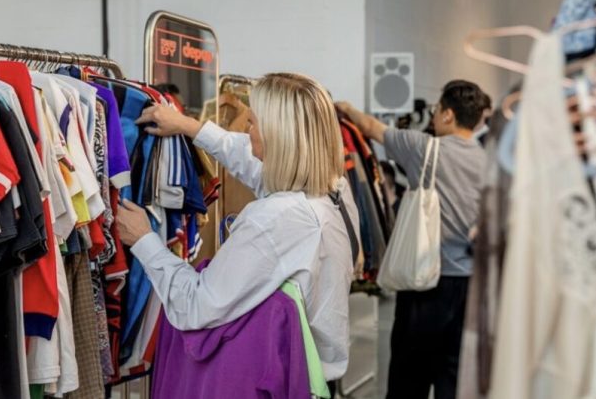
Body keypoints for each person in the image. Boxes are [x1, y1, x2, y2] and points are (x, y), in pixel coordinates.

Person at [115, 73, 361, 394]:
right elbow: (249, 159)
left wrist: (144, 239)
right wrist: (189, 127)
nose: (247, 131)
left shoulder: (276, 219)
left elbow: (197, 305)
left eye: (253, 123)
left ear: (278, 137)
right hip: (314, 375)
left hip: (286, 381)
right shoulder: (332, 191)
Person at [336, 80, 488, 399]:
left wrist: (346, 108)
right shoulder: (489, 160)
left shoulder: (424, 148)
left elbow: (372, 128)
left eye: (436, 110)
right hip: (471, 286)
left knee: (409, 377)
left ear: (448, 114)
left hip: (425, 282)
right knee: (453, 377)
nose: (433, 116)